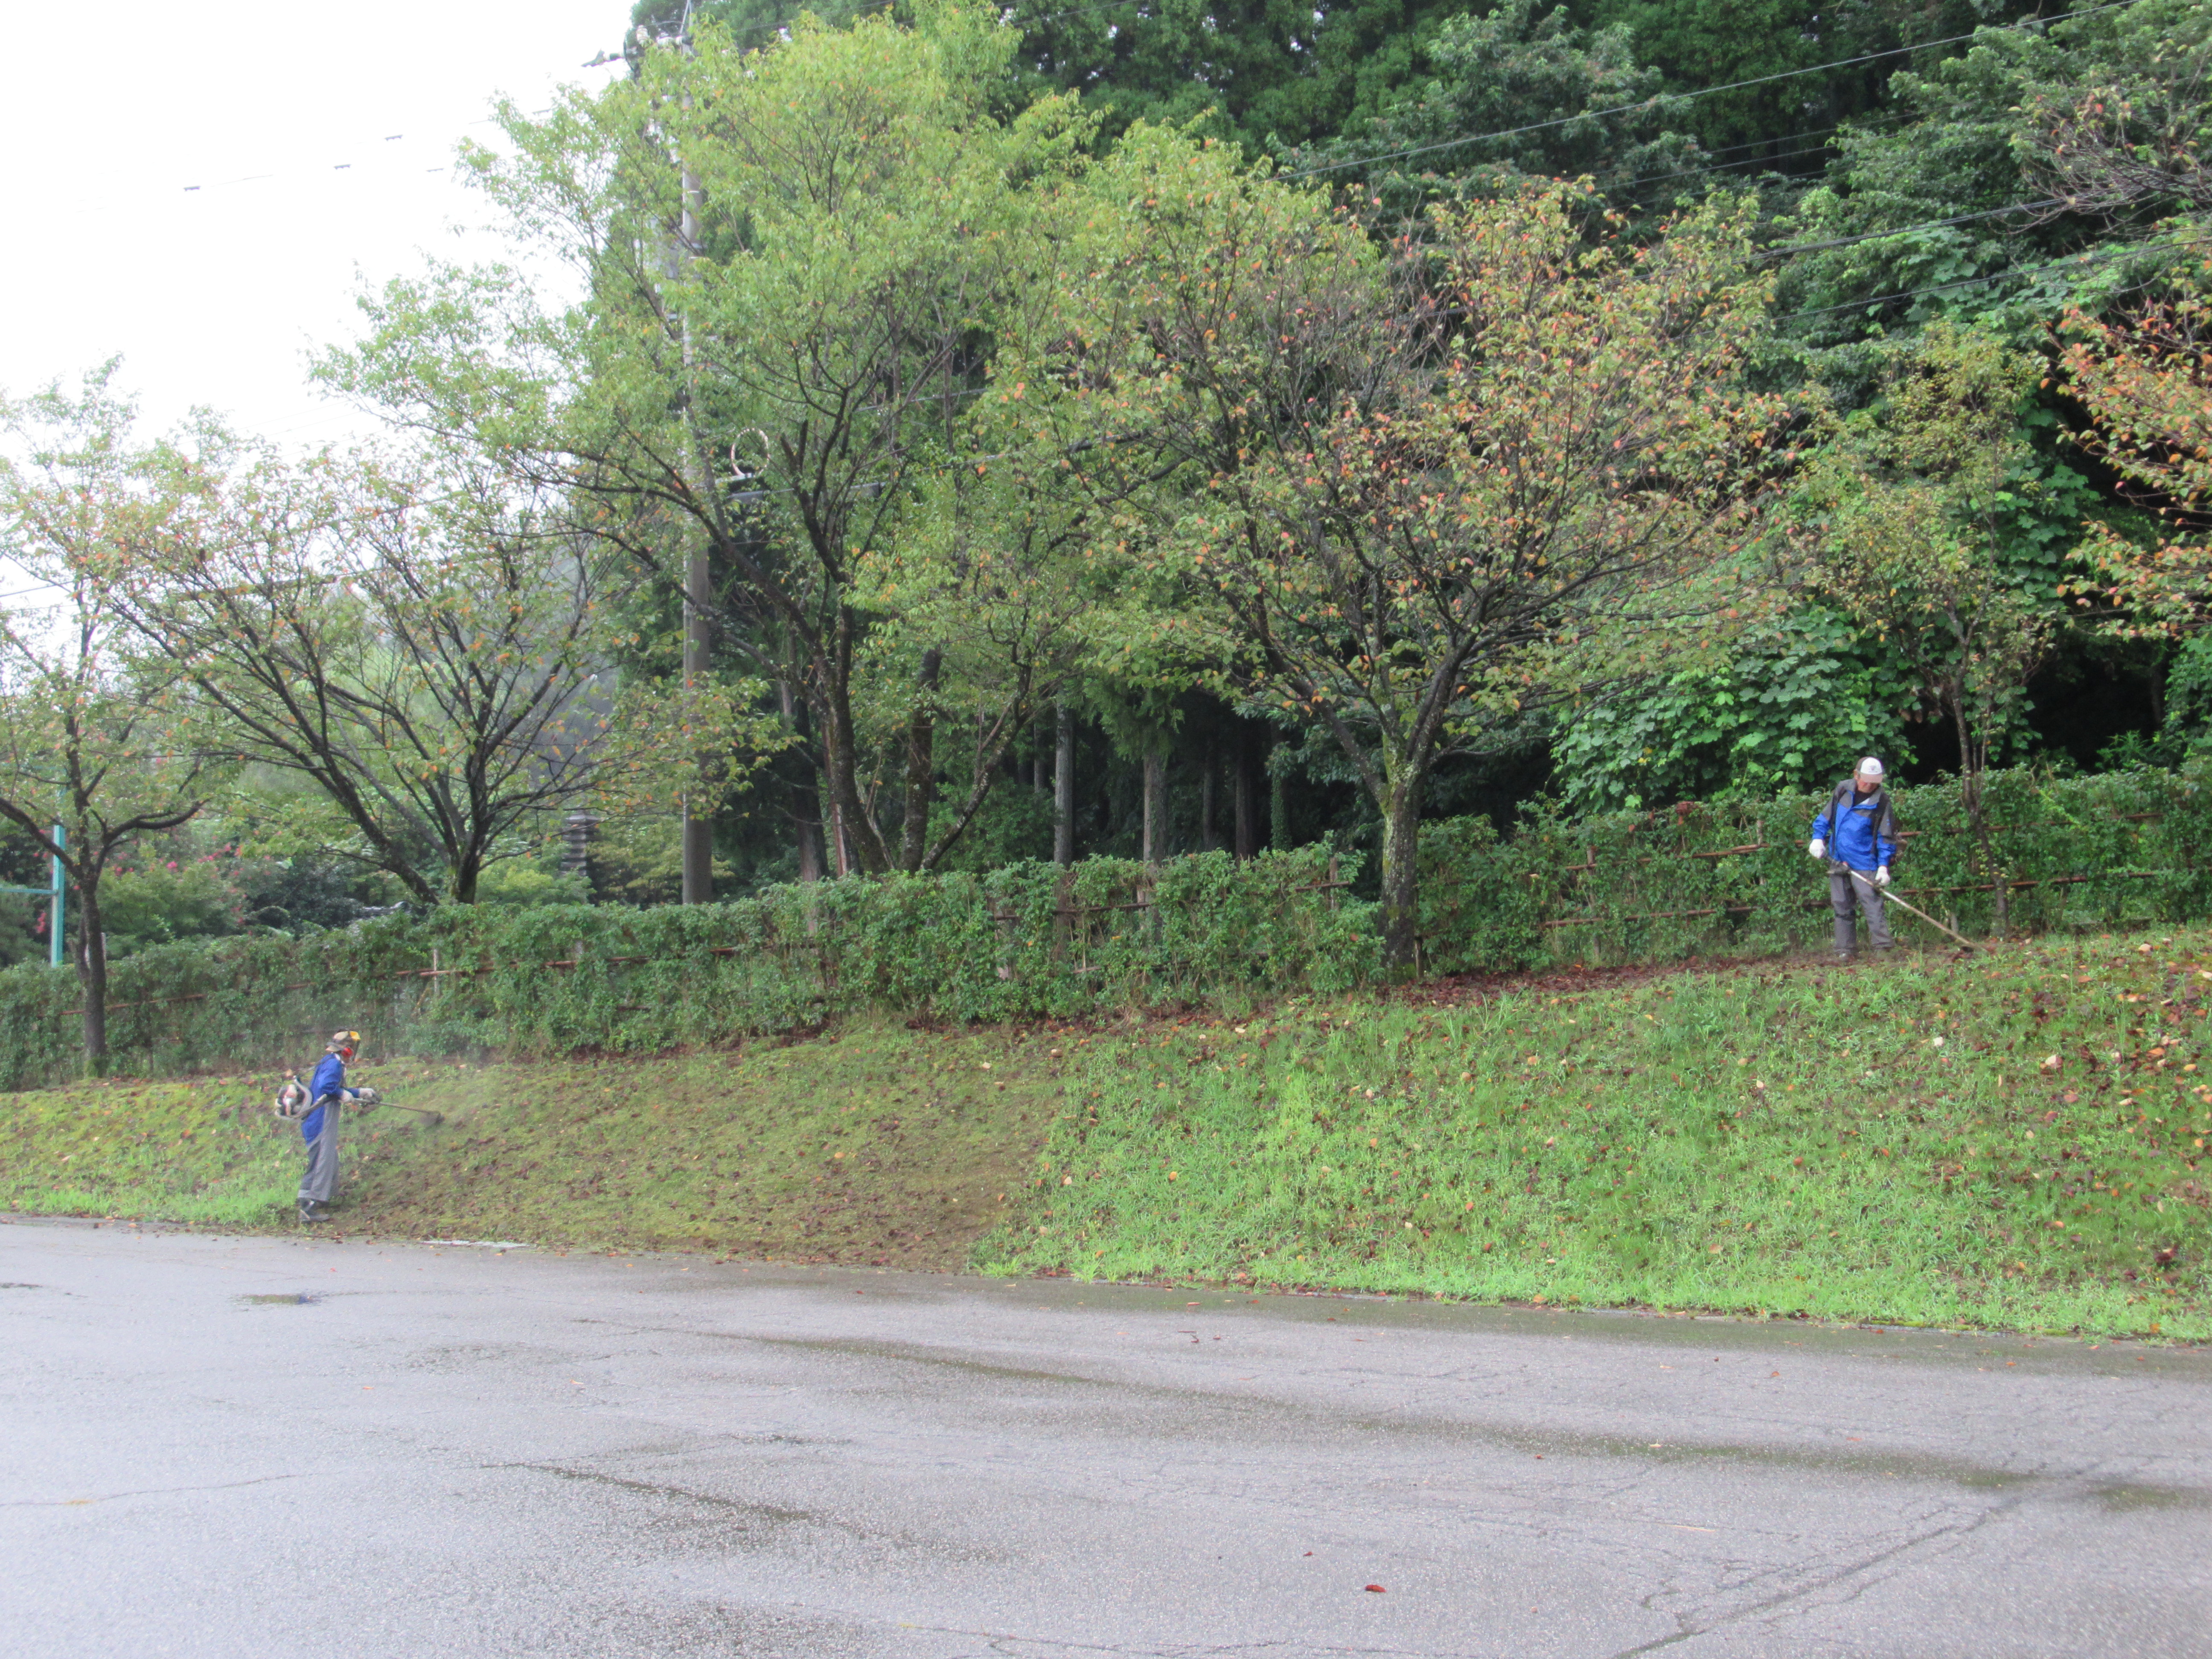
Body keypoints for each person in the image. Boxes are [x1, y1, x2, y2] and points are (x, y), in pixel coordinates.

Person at [1808, 758, 1902, 963]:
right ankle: (1845, 950)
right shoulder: (1843, 790)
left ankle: (1883, 949)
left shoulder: (1882, 802)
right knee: (1841, 905)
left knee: (1872, 905)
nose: (1870, 785)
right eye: (1866, 780)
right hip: (1837, 858)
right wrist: (1818, 838)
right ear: (1856, 775)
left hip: (1865, 862)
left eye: (1875, 781)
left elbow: (1886, 837)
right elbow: (1826, 816)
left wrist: (1883, 867)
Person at [298, 1030, 374, 1224]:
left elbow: (332, 1087)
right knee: (320, 1162)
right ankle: (307, 1208)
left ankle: (324, 1199)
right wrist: (341, 1094)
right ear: (346, 1049)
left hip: (321, 1118)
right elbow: (327, 1087)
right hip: (320, 1119)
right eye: (352, 1048)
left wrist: (360, 1092)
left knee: (329, 1158)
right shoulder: (333, 1064)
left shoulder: (330, 1061)